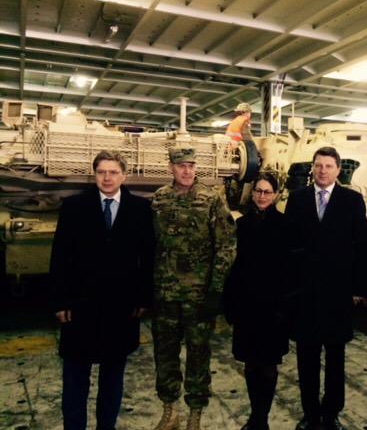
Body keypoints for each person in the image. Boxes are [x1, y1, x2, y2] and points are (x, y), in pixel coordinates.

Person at [51, 150, 154, 430]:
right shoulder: (74, 207)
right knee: (75, 378)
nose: (107, 178)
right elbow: (60, 256)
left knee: (112, 378)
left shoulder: (140, 209)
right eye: (101, 172)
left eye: (113, 172)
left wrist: (143, 299)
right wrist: (60, 301)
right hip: (80, 307)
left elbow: (147, 257)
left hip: (120, 309)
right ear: (94, 174)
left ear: (124, 175)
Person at [284, 146, 367, 430]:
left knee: (335, 357)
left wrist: (359, 288)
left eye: (329, 166)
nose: (323, 171)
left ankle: (331, 413)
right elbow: (289, 247)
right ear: (313, 167)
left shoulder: (352, 200)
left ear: (338, 170)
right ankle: (310, 414)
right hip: (305, 293)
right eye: (318, 165)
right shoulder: (297, 199)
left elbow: (361, 246)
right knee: (306, 357)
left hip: (338, 292)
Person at [151, 147, 236, 430]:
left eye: (191, 165)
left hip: (198, 296)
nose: (187, 171)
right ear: (171, 168)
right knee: (165, 355)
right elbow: (152, 245)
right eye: (181, 166)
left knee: (198, 356)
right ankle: (170, 411)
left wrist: (216, 290)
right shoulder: (160, 198)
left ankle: (195, 415)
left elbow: (226, 246)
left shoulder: (211, 199)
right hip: (165, 293)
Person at [223, 173, 292, 430]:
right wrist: (231, 305)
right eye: (258, 191)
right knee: (251, 366)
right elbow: (235, 268)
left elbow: (290, 271)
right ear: (252, 193)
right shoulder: (242, 225)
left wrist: (285, 308)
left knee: (268, 367)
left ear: (275, 195)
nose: (262, 196)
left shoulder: (285, 226)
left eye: (267, 192)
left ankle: (262, 418)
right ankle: (255, 416)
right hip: (247, 307)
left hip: (273, 310)